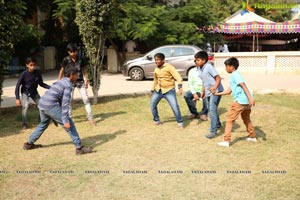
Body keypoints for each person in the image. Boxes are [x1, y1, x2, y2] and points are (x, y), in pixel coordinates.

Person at [23, 64, 93, 155]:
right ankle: (79, 148)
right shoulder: (68, 86)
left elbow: (56, 98)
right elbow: (64, 104)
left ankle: (28, 144)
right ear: (71, 74)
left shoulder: (60, 81)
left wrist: (54, 116)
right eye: (76, 74)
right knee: (69, 124)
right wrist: (65, 120)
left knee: (43, 124)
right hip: (50, 106)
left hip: (42, 104)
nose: (78, 76)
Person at [214, 57, 256, 147]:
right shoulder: (235, 76)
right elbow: (228, 91)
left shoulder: (235, 75)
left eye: (226, 66)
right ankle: (252, 136)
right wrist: (216, 94)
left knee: (229, 120)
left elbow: (243, 85)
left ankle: (226, 141)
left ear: (232, 67)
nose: (225, 68)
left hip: (240, 101)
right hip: (246, 102)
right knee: (246, 118)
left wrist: (250, 98)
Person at [58, 43, 96, 126]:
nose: (73, 54)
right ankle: (69, 118)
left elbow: (84, 70)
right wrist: (59, 82)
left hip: (80, 81)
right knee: (69, 101)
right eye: (71, 52)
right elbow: (62, 71)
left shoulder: (81, 59)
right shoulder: (66, 60)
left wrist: (87, 80)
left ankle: (90, 118)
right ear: (68, 52)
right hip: (68, 82)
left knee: (85, 99)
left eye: (75, 52)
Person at [15, 57, 51, 130]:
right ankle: (24, 124)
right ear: (27, 65)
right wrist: (17, 98)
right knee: (25, 106)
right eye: (31, 65)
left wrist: (50, 87)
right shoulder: (23, 74)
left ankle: (41, 121)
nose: (32, 67)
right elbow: (18, 86)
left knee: (41, 104)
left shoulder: (37, 73)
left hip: (34, 92)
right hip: (25, 92)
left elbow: (41, 84)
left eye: (34, 65)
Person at [194, 51, 224, 139]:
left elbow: (218, 78)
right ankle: (217, 124)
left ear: (204, 60)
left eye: (198, 60)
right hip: (208, 92)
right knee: (212, 109)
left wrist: (214, 87)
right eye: (195, 60)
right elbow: (203, 80)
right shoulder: (200, 68)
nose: (196, 62)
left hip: (216, 91)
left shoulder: (209, 67)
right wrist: (203, 91)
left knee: (211, 111)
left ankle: (213, 131)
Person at [150, 53, 184, 128]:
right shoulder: (156, 69)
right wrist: (152, 90)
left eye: (158, 60)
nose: (156, 61)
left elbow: (178, 76)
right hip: (158, 90)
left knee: (175, 106)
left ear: (163, 60)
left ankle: (180, 122)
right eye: (155, 60)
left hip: (169, 90)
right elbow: (155, 81)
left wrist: (180, 86)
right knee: (152, 105)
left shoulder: (169, 67)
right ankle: (156, 120)